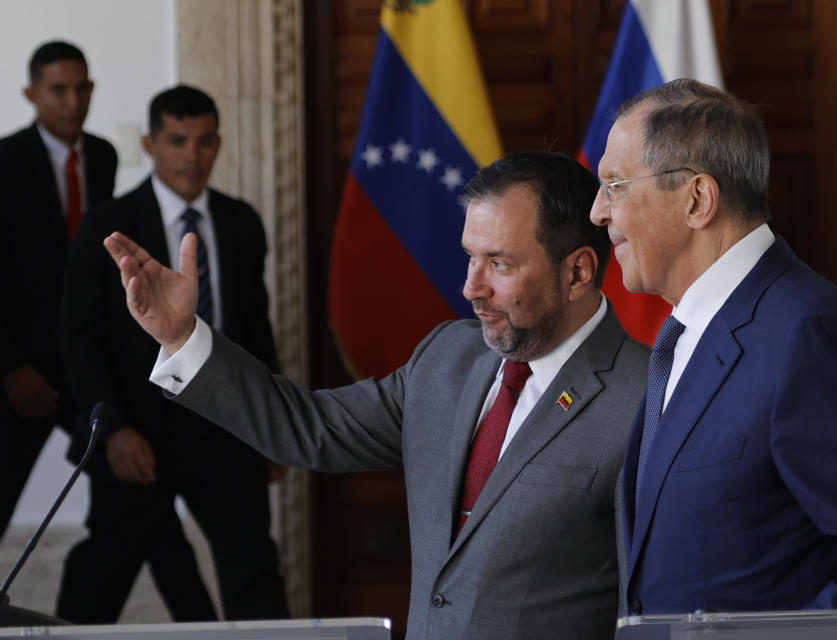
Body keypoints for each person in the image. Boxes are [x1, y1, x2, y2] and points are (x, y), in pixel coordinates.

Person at [103, 150, 649, 639]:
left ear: (578, 271)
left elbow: (651, 599)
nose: (470, 287)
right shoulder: (447, 358)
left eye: (500, 264)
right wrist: (181, 337)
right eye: (470, 257)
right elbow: (308, 427)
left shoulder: (649, 395)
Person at [589, 78, 837, 615]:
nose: (598, 211)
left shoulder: (805, 330)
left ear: (697, 200)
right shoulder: (684, 334)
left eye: (615, 185)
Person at [55, 84, 289, 623]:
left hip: (229, 427)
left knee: (253, 570)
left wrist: (274, 421)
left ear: (219, 144)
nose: (192, 155)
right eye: (178, 141)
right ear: (150, 143)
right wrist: (111, 429)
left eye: (205, 141)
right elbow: (79, 337)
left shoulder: (240, 222)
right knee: (103, 574)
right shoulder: (108, 226)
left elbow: (256, 328)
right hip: (138, 430)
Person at [0, 40, 116, 537]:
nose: (73, 101)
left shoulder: (105, 156)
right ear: (31, 93)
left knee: (126, 494)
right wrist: (9, 367)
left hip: (84, 364)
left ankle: (82, 608)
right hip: (18, 371)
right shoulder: (5, 160)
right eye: (59, 90)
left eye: (82, 87)